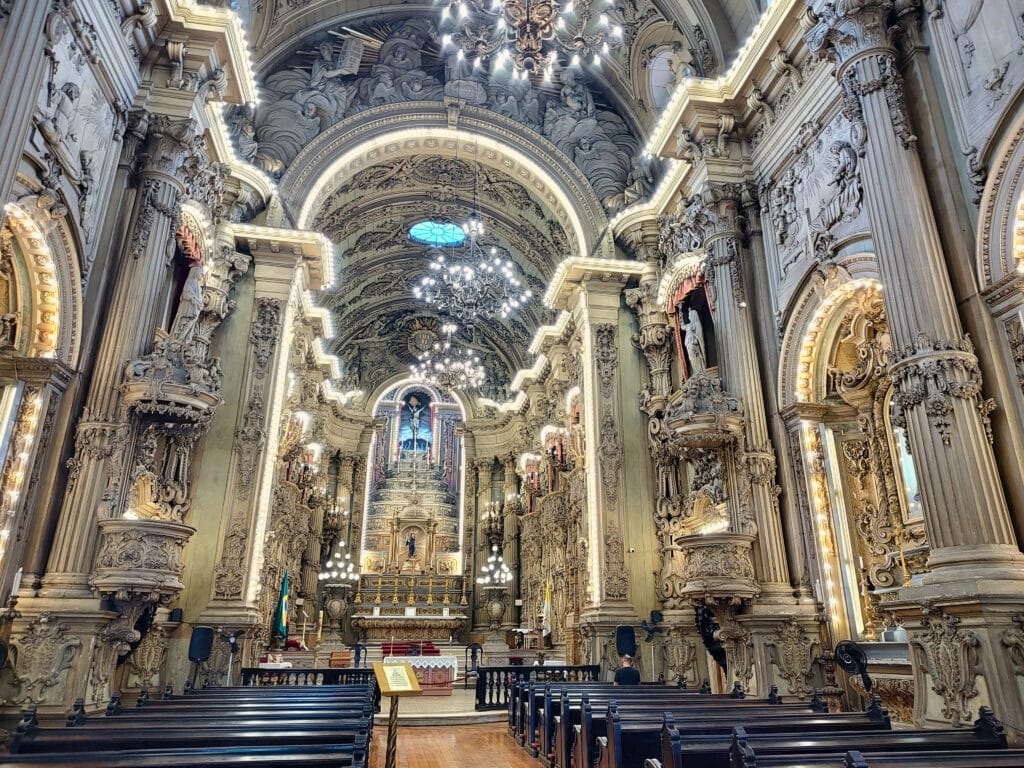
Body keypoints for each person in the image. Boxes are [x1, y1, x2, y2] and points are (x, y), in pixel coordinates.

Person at [682, 308, 707, 374]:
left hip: (694, 345)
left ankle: (699, 372)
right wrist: (680, 310)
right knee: (691, 359)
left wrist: (695, 339)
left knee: (696, 359)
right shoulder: (689, 325)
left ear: (693, 315)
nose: (689, 317)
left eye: (690, 315)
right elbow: (682, 326)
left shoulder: (696, 324)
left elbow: (699, 335)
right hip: (689, 344)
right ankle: (696, 372)